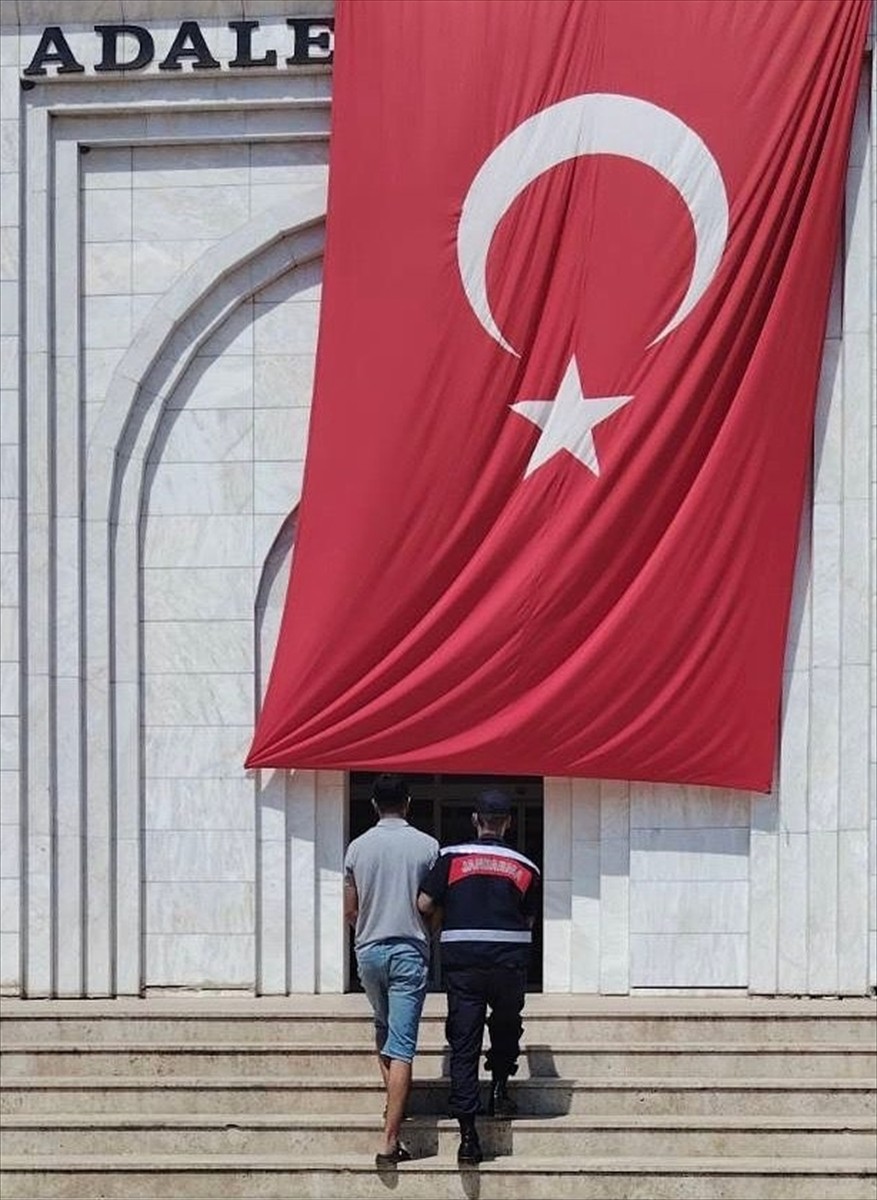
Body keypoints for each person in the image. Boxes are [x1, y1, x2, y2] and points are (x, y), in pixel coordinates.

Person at [417, 788, 541, 1166]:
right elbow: (530, 917)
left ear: (475, 820)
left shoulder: (450, 858)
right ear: (509, 822)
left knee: (465, 1042)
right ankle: (500, 1090)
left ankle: (468, 1136)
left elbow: (424, 902)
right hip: (508, 961)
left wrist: (443, 923)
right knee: (505, 1027)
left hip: (464, 962)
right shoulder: (526, 866)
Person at [344, 773, 439, 1166]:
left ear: (373, 805)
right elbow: (430, 904)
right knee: (402, 1045)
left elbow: (350, 910)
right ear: (409, 802)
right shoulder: (428, 846)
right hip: (408, 950)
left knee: (384, 1029)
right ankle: (390, 1137)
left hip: (368, 950)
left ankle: (392, 1109)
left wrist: (367, 930)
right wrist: (429, 934)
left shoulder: (357, 848)